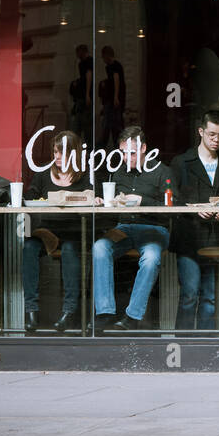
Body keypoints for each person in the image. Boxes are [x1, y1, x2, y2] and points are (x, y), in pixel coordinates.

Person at [92, 126, 172, 331]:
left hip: (153, 228)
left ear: (144, 148)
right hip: (124, 227)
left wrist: (142, 201)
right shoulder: (118, 174)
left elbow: (172, 209)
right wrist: (104, 202)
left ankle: (132, 316)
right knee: (100, 247)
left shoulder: (162, 172)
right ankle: (105, 312)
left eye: (132, 153)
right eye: (123, 153)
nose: (127, 158)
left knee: (151, 258)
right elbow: (112, 204)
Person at [170, 110, 219, 331]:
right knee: (189, 294)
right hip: (189, 236)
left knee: (210, 298)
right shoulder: (181, 162)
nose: (216, 140)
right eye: (211, 134)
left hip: (215, 239)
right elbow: (172, 200)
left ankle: (206, 347)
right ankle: (183, 344)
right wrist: (195, 211)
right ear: (201, 132)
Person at [22, 130, 88, 334]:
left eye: (62, 152)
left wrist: (91, 197)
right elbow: (31, 194)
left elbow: (95, 196)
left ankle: (69, 312)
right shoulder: (43, 175)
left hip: (72, 231)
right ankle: (31, 310)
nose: (57, 157)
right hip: (46, 232)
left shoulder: (84, 176)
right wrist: (30, 196)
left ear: (74, 154)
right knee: (29, 247)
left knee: (70, 251)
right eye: (55, 152)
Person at [98, 45, 125, 148]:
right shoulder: (111, 66)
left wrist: (115, 97)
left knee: (113, 125)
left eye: (103, 57)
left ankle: (115, 146)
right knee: (113, 125)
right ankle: (115, 146)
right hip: (112, 100)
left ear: (107, 56)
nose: (103, 59)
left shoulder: (114, 66)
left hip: (113, 101)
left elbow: (116, 79)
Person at [69, 45, 94, 144]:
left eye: (78, 53)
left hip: (84, 97)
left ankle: (86, 147)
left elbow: (89, 76)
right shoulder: (82, 63)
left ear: (82, 52)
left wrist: (87, 94)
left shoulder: (87, 62)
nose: (77, 55)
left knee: (84, 124)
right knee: (80, 124)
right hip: (81, 98)